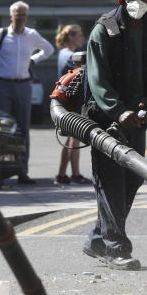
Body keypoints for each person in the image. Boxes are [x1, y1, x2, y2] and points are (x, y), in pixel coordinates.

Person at [83, 0, 147, 270]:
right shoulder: (104, 28)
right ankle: (116, 249)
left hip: (137, 121)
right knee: (111, 185)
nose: (140, 2)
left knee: (133, 180)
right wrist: (120, 111)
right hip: (106, 121)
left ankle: (97, 238)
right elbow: (98, 79)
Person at [0, 1, 54, 185]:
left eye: (23, 14)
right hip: (3, 85)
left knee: (23, 128)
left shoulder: (31, 35)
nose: (20, 17)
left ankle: (22, 171)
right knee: (2, 128)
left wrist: (33, 60)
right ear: (11, 16)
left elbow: (49, 49)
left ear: (27, 16)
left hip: (23, 85)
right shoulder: (1, 34)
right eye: (17, 14)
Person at [53, 24, 89, 185]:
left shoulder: (63, 53)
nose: (82, 38)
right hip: (73, 99)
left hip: (64, 99)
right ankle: (75, 174)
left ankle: (61, 174)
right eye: (80, 35)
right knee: (75, 138)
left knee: (69, 139)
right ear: (71, 37)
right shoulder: (72, 56)